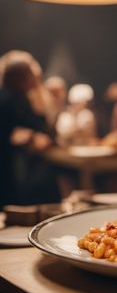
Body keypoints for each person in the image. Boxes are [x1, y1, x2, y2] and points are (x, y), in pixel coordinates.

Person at [0, 59, 53, 207]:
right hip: (7, 165)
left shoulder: (14, 96)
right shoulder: (10, 99)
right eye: (31, 74)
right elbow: (37, 126)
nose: (35, 78)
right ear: (21, 77)